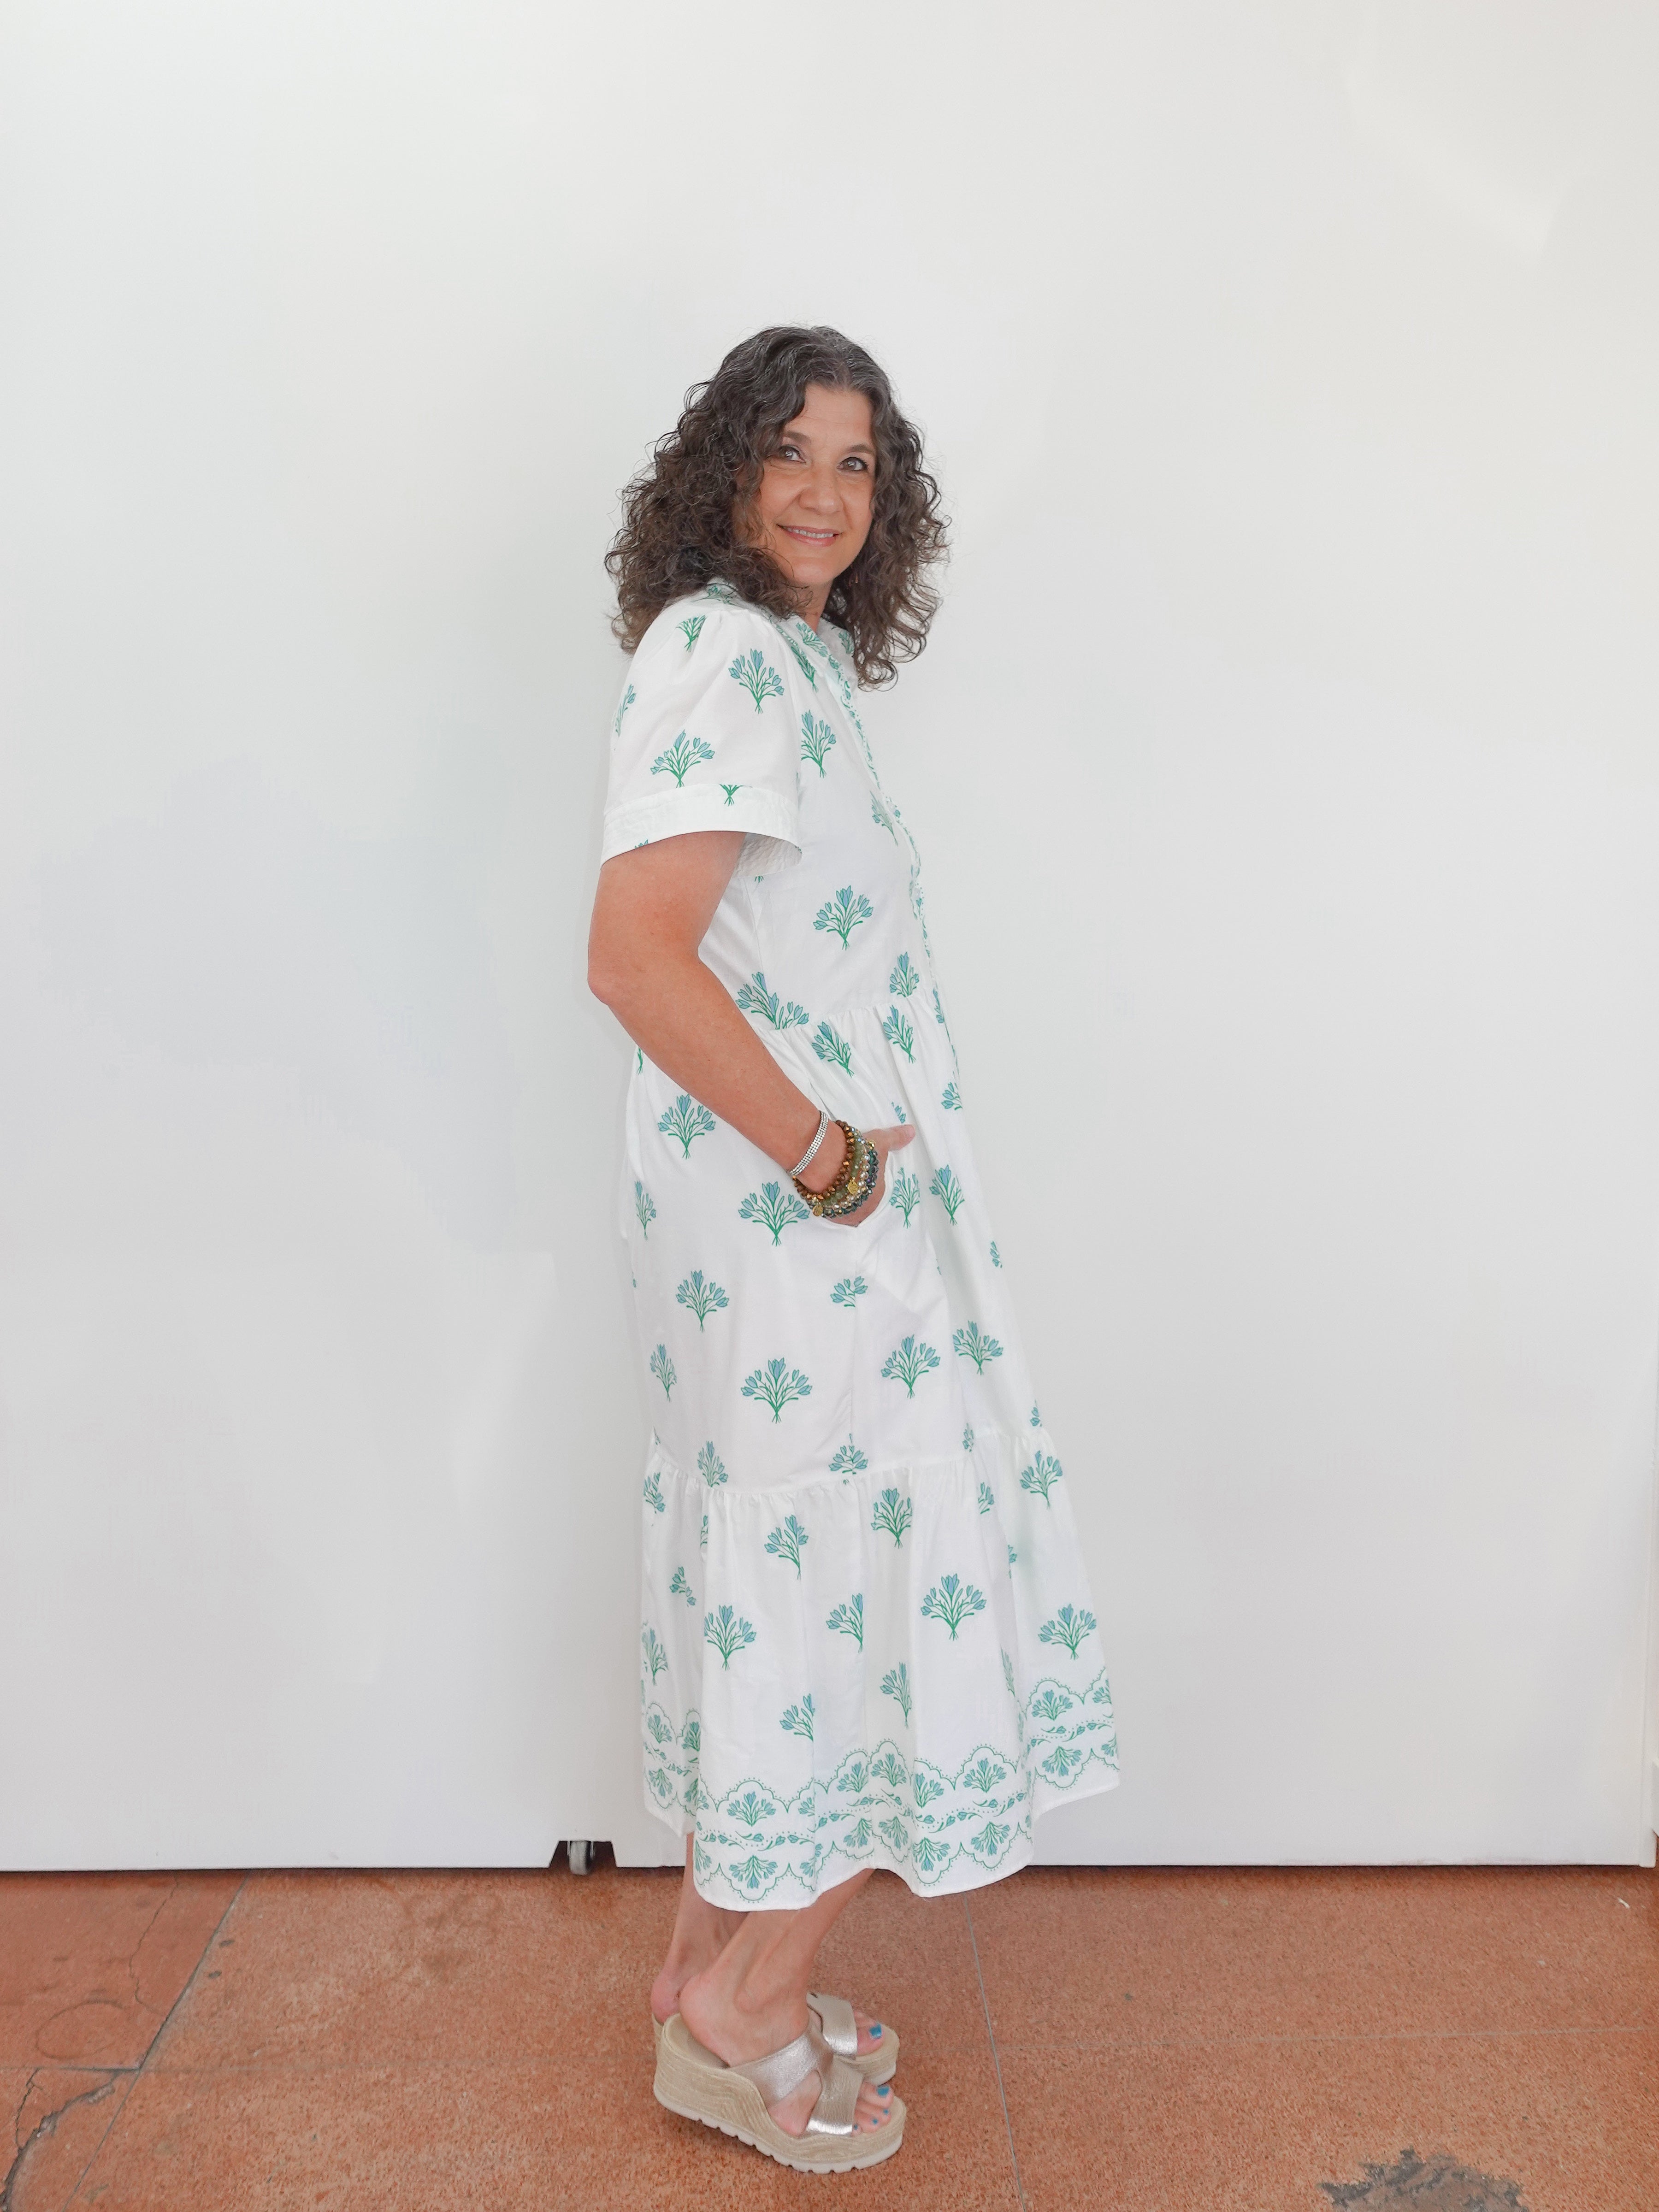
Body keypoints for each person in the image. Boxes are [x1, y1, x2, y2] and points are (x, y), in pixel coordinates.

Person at [587, 325, 1118, 2172]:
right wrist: (826, 1161)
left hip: (814, 1240)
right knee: (862, 1604)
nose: (827, 491)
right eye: (790, 452)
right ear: (723, 473)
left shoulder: (787, 659)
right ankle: (748, 2007)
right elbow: (636, 953)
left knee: (790, 1593)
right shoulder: (725, 654)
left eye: (861, 463)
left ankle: (700, 1989)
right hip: (799, 1235)